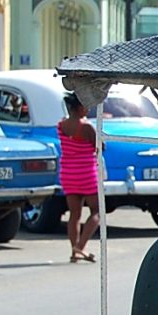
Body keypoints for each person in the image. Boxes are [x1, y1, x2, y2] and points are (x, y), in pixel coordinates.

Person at [57, 93, 100, 263]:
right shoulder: (87, 127)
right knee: (96, 211)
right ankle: (80, 247)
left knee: (74, 215)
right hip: (86, 173)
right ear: (79, 107)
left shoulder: (61, 125)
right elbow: (100, 146)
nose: (88, 109)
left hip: (68, 173)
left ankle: (74, 250)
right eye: (86, 106)